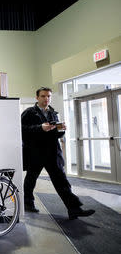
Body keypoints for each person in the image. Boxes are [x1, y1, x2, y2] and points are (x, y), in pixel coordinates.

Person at [21, 87, 95, 220]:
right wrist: (40, 128)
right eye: (43, 96)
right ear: (37, 98)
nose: (46, 99)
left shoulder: (53, 113)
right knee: (30, 180)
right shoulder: (29, 113)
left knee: (61, 181)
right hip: (35, 153)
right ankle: (28, 203)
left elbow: (56, 133)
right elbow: (22, 130)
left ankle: (74, 209)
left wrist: (62, 130)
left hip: (52, 153)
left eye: (48, 96)